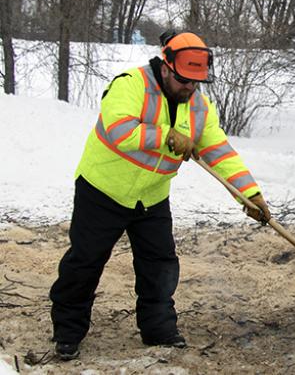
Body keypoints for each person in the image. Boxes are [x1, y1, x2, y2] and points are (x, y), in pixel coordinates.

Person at [49, 31, 271, 360]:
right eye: (184, 80)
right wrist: (166, 136)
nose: (190, 87)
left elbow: (219, 152)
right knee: (84, 263)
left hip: (151, 196)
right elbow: (119, 129)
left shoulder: (199, 107)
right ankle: (67, 333)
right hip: (102, 190)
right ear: (166, 67)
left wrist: (249, 195)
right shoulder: (130, 84)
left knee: (160, 265)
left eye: (197, 82)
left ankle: (159, 329)